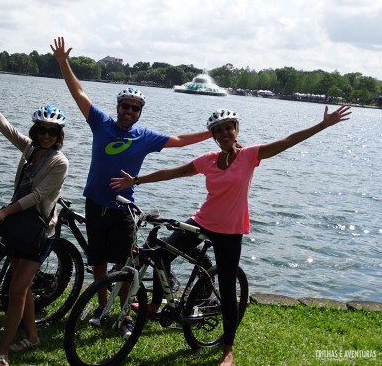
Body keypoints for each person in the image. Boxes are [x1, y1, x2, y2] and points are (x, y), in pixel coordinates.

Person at [111, 105, 352, 366]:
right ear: (214, 135)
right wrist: (136, 180)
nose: (225, 133)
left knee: (227, 288)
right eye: (219, 130)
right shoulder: (209, 159)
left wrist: (323, 125)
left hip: (230, 230)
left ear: (236, 130)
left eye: (229, 127)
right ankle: (155, 305)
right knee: (162, 254)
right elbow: (176, 171)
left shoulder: (249, 156)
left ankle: (228, 349)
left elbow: (286, 141)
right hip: (202, 221)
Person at [51, 36, 212, 338]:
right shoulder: (101, 123)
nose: (129, 111)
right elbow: (79, 93)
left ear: (140, 112)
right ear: (118, 107)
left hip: (123, 209)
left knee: (126, 269)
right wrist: (63, 63)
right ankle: (101, 309)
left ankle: (125, 315)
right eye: (125, 106)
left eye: (135, 108)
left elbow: (177, 141)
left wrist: (211, 133)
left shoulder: (145, 136)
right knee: (98, 262)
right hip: (95, 204)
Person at [0, 71, 69, 366]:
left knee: (15, 288)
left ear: (59, 135)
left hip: (38, 231)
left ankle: (1, 351)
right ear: (36, 132)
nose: (46, 136)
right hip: (18, 227)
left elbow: (36, 198)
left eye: (52, 131)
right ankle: (33, 336)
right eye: (42, 130)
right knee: (20, 289)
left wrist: (3, 212)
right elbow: (6, 128)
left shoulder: (59, 162)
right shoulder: (29, 149)